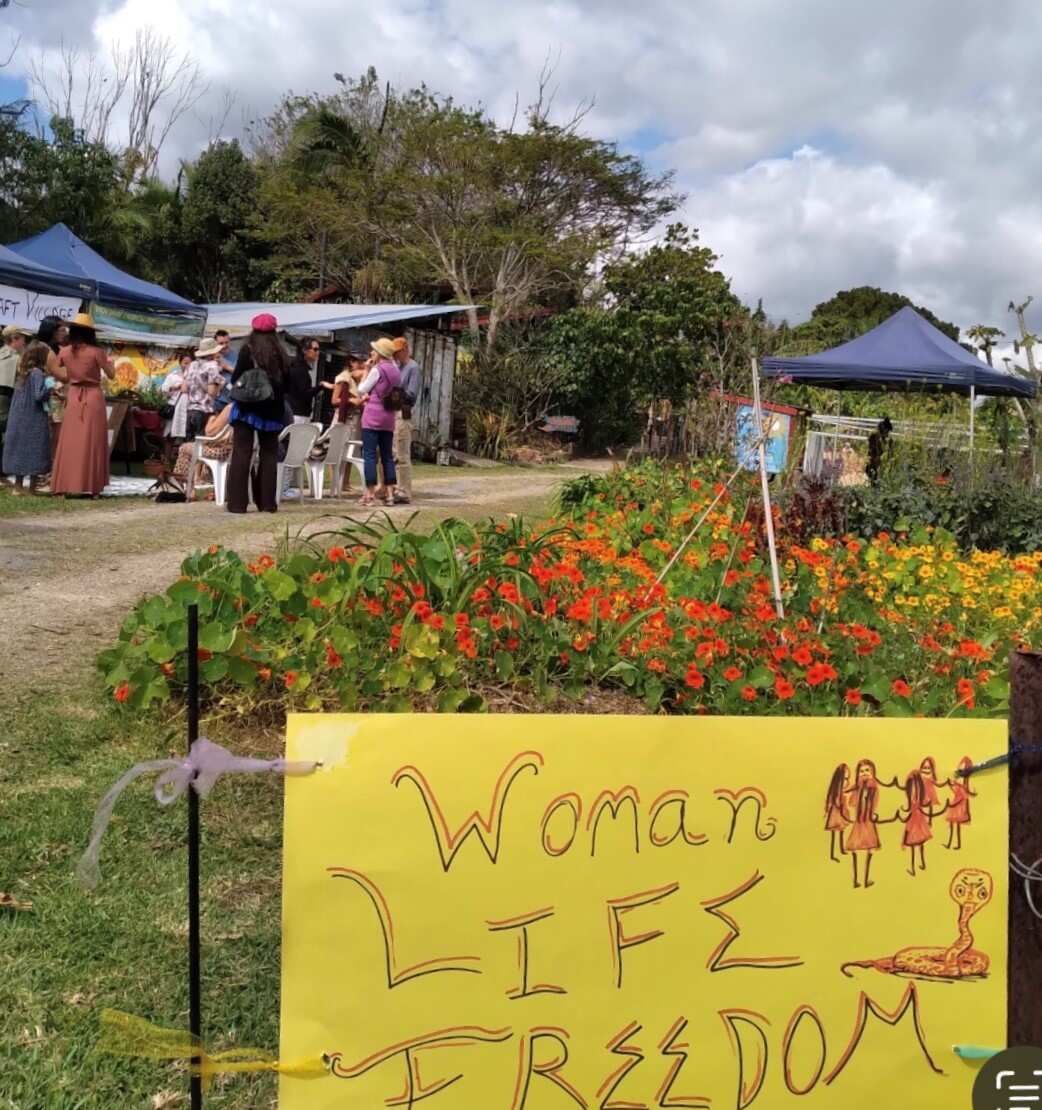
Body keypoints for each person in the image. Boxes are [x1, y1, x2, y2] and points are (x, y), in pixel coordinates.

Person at [226, 313, 287, 514]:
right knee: (269, 454)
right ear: (274, 331)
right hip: (272, 409)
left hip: (247, 407)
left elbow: (236, 377)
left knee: (241, 453)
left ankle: (237, 504)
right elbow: (286, 383)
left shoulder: (247, 350)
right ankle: (267, 504)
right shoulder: (281, 352)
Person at [49, 313, 114, 497]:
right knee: (93, 441)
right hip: (93, 396)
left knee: (69, 441)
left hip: (74, 395)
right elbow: (111, 375)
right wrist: (112, 364)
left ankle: (63, 485)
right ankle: (93, 488)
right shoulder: (96, 352)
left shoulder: (65, 351)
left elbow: (57, 370)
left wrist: (70, 376)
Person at [2, 341, 54, 493]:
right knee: (35, 449)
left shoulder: (22, 373)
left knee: (19, 450)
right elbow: (39, 395)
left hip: (18, 416)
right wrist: (50, 386)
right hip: (33, 417)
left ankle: (18, 487)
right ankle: (32, 487)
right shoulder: (37, 373)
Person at [357, 337, 401, 507]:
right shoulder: (396, 370)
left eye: (374, 350)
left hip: (373, 416)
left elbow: (362, 390)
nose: (372, 353)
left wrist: (367, 370)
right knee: (387, 456)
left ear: (380, 353)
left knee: (369, 454)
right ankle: (390, 494)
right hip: (388, 417)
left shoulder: (378, 369)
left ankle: (369, 493)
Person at [172, 402, 233, 487]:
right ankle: (189, 481)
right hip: (237, 451)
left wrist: (211, 419)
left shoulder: (230, 408)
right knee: (195, 446)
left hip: (223, 451)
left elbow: (210, 432)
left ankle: (182, 485)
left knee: (184, 448)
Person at [391, 337, 420, 504]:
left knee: (402, 454)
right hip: (393, 412)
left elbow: (411, 395)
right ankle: (396, 488)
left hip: (404, 412)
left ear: (405, 350)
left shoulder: (413, 367)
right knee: (394, 454)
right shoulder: (398, 367)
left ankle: (405, 491)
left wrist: (394, 392)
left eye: (397, 353)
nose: (396, 356)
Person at [37, 317, 70, 458]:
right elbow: (62, 375)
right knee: (53, 434)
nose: (65, 333)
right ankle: (50, 469)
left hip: (55, 396)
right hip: (51, 397)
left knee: (57, 433)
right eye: (62, 330)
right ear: (52, 331)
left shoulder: (56, 348)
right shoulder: (46, 350)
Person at [0, 325, 30, 472]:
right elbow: (22, 381)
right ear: (14, 339)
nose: (24, 342)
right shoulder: (17, 358)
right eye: (22, 338)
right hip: (6, 396)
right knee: (7, 433)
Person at [185, 338, 225, 439]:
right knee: (201, 444)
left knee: (189, 444)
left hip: (190, 410)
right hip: (205, 410)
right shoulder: (212, 366)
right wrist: (221, 385)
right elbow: (212, 392)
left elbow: (185, 387)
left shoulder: (192, 365)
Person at [287, 337, 322, 424]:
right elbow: (305, 393)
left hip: (298, 414)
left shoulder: (298, 367)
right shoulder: (299, 369)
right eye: (315, 349)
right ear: (305, 350)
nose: (318, 352)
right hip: (297, 415)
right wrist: (320, 386)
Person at [162, 355, 192, 441]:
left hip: (188, 409)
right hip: (174, 407)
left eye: (190, 363)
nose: (187, 365)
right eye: (185, 363)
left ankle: (181, 453)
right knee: (170, 434)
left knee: (186, 434)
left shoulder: (194, 377)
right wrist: (177, 387)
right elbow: (164, 390)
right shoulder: (173, 376)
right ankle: (167, 454)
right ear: (180, 363)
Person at [866, 416, 892, 484]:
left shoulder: (888, 440)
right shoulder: (874, 437)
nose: (887, 434)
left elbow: (889, 453)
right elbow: (871, 451)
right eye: (887, 432)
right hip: (874, 464)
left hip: (881, 465)